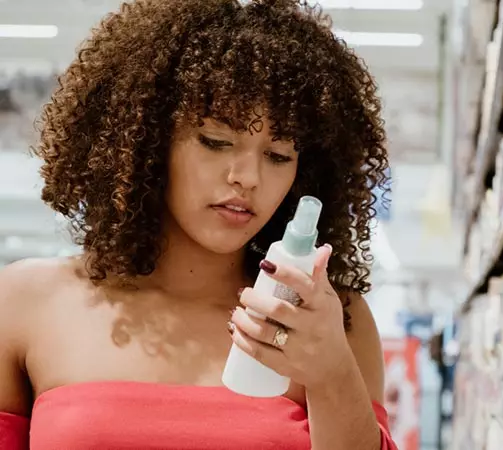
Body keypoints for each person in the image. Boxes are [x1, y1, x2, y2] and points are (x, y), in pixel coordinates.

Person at [0, 0, 397, 448]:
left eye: (279, 155)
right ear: (146, 142)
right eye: (215, 142)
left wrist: (331, 373)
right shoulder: (25, 304)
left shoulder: (327, 320)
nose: (247, 177)